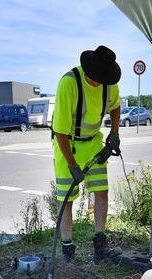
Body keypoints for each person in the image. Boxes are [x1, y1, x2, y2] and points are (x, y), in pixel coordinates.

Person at [52, 45, 122, 263]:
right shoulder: (69, 83)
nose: (98, 82)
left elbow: (116, 107)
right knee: (67, 198)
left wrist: (114, 132)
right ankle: (67, 248)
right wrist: (72, 165)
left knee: (101, 192)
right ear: (88, 70)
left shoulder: (110, 84)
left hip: (93, 144)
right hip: (68, 145)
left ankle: (100, 244)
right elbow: (60, 131)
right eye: (95, 78)